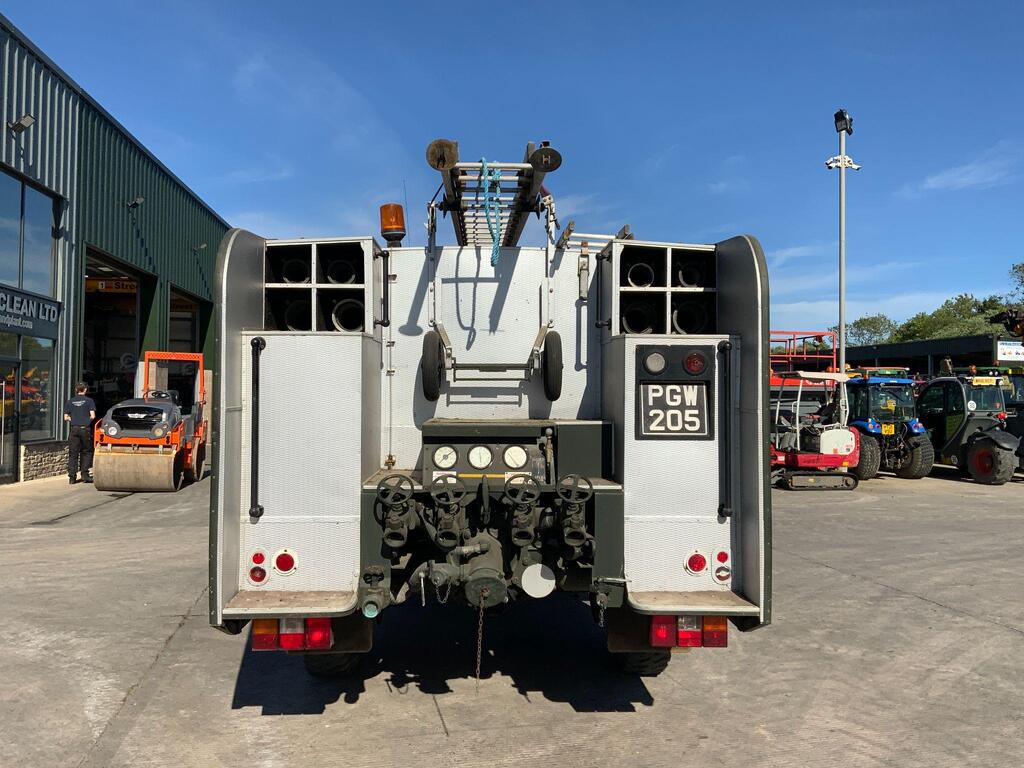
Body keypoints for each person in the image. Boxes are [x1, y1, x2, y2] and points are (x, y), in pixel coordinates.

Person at [63, 382, 96, 484]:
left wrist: (74, 419)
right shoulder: (89, 401)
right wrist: (85, 420)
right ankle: (85, 475)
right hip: (84, 428)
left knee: (73, 453)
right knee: (86, 452)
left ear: (76, 390)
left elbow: (66, 417)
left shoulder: (70, 401)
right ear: (85, 390)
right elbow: (93, 416)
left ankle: (72, 478)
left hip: (74, 429)